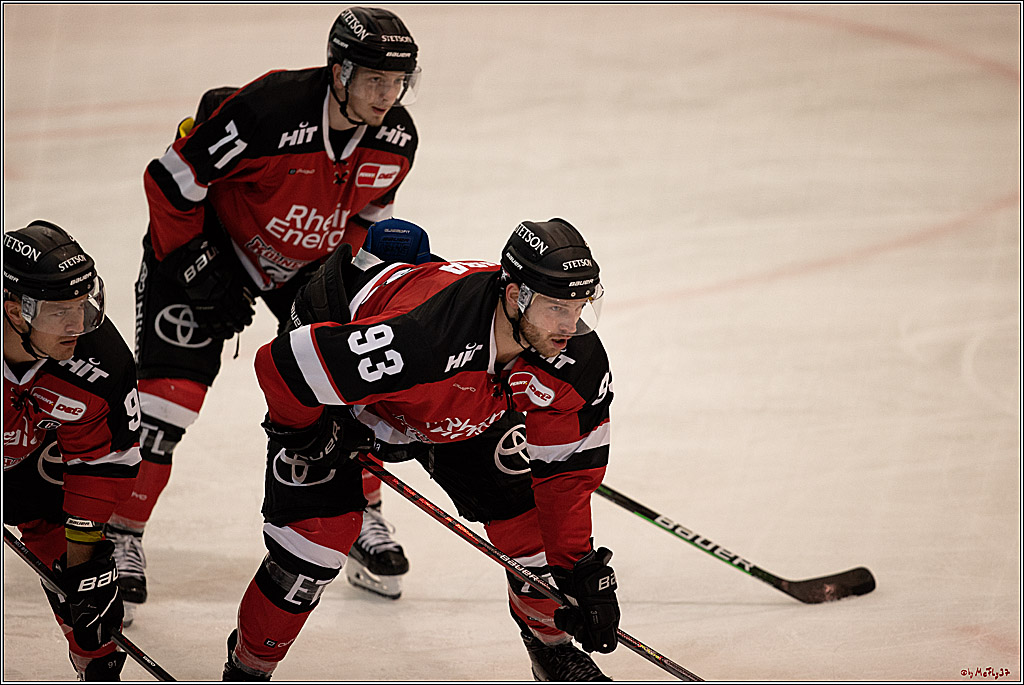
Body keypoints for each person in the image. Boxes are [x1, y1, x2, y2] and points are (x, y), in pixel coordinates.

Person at [105, 6, 422, 623]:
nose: (388, 96)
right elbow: (172, 181)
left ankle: (361, 517)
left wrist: (365, 300)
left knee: (353, 382)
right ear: (339, 71)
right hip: (211, 245)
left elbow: (366, 224)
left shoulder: (397, 139)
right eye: (374, 80)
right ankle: (119, 532)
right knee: (168, 402)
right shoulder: (267, 109)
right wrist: (194, 263)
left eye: (398, 82)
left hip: (307, 266)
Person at [224, 217, 620, 681]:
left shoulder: (573, 361)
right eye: (558, 308)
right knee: (312, 547)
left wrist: (575, 567)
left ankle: (549, 647)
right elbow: (281, 367)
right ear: (516, 296)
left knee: (528, 518)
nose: (571, 326)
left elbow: (564, 476)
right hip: (350, 396)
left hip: (456, 404)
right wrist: (306, 433)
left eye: (580, 307)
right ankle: (249, 666)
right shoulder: (421, 337)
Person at [3, 221, 142, 681]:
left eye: (84, 305)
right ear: (15, 311)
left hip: (34, 464)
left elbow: (99, 464)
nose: (79, 325)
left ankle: (97, 666)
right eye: (61, 311)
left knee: (88, 596)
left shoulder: (102, 363)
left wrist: (83, 566)